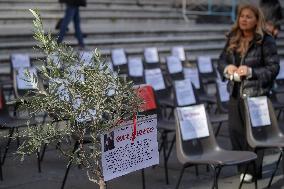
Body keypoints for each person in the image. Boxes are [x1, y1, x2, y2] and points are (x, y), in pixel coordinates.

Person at [217, 4, 279, 183]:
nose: (244, 19)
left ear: (256, 20)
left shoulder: (266, 40)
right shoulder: (232, 38)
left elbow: (273, 68)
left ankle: (253, 169)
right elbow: (221, 61)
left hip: (256, 95)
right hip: (235, 93)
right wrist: (227, 68)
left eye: (248, 16)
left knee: (255, 134)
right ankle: (244, 167)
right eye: (242, 16)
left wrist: (251, 72)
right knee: (235, 132)